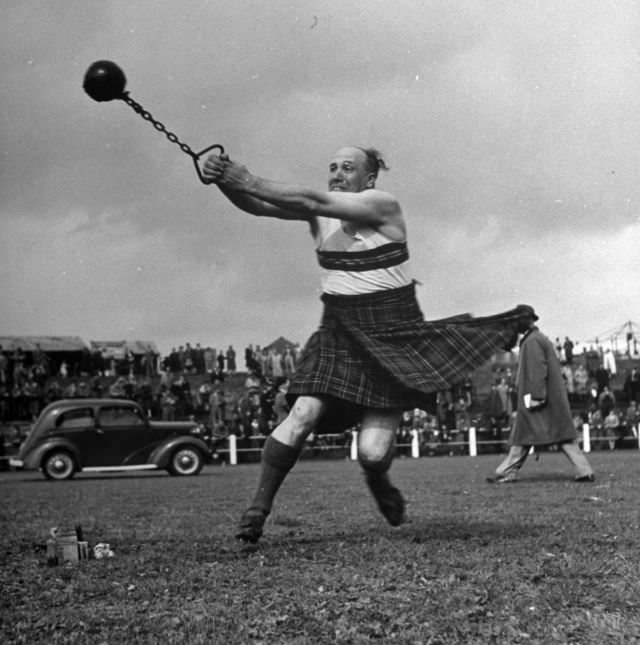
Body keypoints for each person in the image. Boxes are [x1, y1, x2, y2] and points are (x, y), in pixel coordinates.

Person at [203, 145, 532, 543]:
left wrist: (248, 179)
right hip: (338, 331)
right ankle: (257, 511)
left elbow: (306, 196)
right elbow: (256, 205)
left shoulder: (382, 204)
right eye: (332, 167)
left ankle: (378, 480)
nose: (337, 173)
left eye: (348, 167)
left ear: (369, 179)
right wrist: (222, 179)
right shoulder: (319, 216)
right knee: (303, 413)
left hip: (393, 336)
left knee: (373, 453)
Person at [487, 306, 594, 484]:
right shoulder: (536, 339)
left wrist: (536, 396)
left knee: (523, 434)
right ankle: (584, 470)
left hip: (537, 398)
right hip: (549, 399)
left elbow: (537, 371)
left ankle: (506, 471)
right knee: (562, 435)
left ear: (524, 321)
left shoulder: (532, 341)